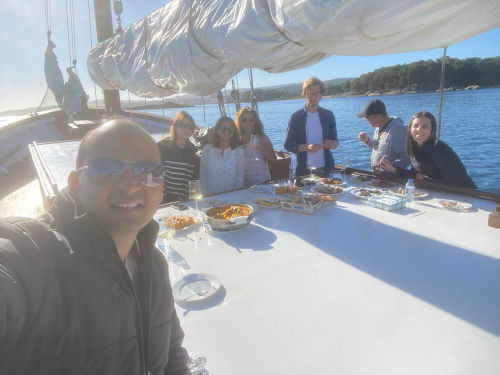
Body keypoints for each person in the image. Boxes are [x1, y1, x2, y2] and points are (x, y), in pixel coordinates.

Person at [0, 119, 190, 374]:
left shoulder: (154, 265)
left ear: (161, 187)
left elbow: (171, 351)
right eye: (106, 170)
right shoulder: (34, 259)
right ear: (75, 184)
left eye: (147, 172)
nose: (131, 185)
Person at [380, 111, 476, 188]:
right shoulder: (415, 148)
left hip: (466, 194)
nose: (419, 129)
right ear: (410, 129)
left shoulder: (439, 150)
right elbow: (415, 175)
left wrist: (424, 179)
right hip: (440, 194)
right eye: (416, 126)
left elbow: (455, 183)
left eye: (425, 126)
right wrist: (394, 170)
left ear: (432, 129)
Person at [284, 77, 338, 176]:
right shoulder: (296, 117)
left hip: (327, 169)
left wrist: (330, 143)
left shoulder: (329, 115)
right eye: (309, 93)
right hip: (304, 171)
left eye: (316, 93)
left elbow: (335, 143)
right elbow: (288, 145)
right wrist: (307, 147)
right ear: (304, 94)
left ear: (321, 95)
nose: (313, 97)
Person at [357, 99, 410, 173]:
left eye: (366, 117)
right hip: (380, 177)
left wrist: (390, 166)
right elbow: (380, 149)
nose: (365, 120)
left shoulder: (397, 130)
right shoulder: (379, 127)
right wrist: (368, 141)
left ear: (376, 116)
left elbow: (408, 158)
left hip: (392, 179)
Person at [158, 111, 200, 203]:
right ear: (175, 126)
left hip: (181, 201)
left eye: (190, 127)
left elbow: (189, 180)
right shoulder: (162, 147)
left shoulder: (192, 152)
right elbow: (157, 175)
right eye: (182, 125)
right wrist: (165, 199)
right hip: (161, 199)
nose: (186, 129)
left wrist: (181, 200)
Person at [200, 116, 244, 195]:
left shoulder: (238, 152)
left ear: (233, 132)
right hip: (211, 198)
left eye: (230, 129)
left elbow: (239, 178)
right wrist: (205, 197)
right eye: (223, 128)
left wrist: (234, 196)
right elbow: (203, 176)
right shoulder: (207, 149)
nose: (226, 131)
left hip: (232, 199)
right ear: (217, 130)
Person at [236, 106, 277, 186]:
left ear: (255, 122)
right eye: (244, 120)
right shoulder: (237, 140)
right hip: (242, 184)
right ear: (240, 122)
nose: (248, 123)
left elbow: (274, 160)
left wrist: (263, 151)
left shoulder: (262, 138)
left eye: (251, 120)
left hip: (261, 183)